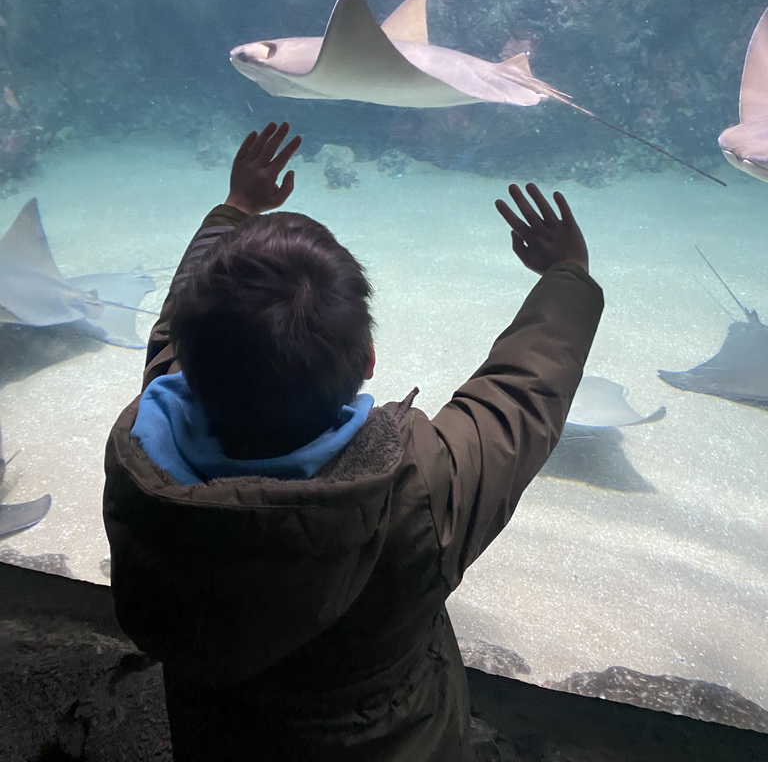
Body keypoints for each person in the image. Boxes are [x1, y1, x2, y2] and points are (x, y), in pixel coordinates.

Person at [103, 120, 604, 762]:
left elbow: (177, 331)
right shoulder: (415, 491)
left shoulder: (144, 447)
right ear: (369, 358)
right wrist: (567, 274)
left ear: (193, 361)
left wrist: (235, 212)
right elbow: (521, 394)